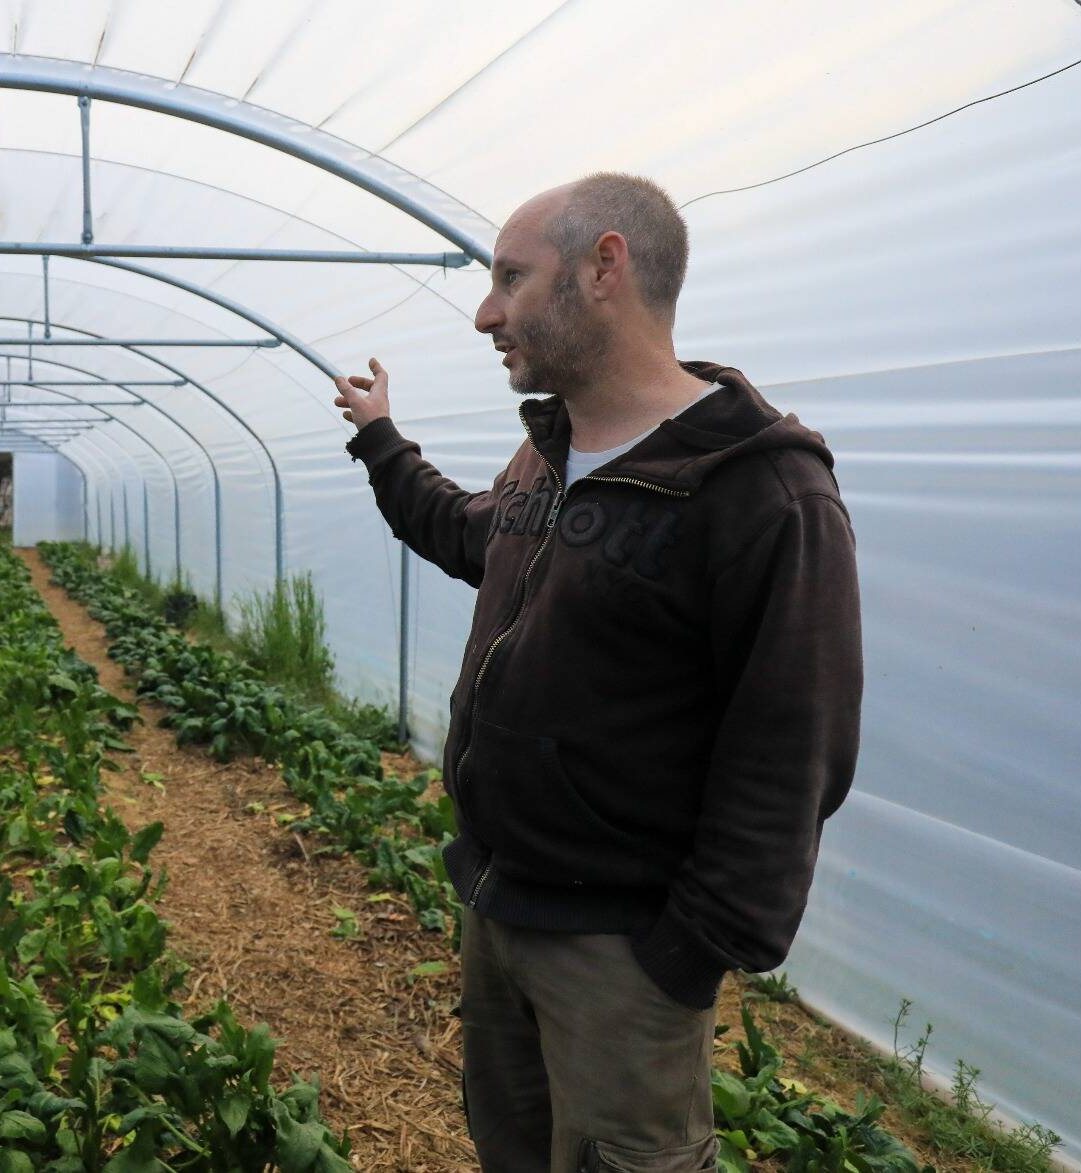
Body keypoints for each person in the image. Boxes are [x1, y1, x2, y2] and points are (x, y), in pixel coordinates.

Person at [332, 173, 862, 1173]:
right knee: (512, 1148)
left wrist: (683, 955)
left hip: (621, 953)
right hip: (501, 906)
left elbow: (793, 748)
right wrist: (381, 441)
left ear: (603, 267)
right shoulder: (549, 456)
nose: (486, 313)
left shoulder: (759, 490)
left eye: (511, 278)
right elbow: (466, 534)